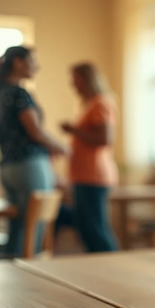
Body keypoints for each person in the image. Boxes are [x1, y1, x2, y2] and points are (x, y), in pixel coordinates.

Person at [0, 46, 67, 256]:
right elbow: (35, 131)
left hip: (8, 167)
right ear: (18, 62)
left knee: (18, 229)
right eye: (33, 61)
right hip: (27, 166)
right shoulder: (18, 93)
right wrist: (61, 147)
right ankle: (30, 280)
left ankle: (13, 280)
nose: (37, 66)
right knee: (34, 231)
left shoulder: (1, 92)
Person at [60, 62, 120, 252]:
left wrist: (74, 130)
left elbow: (105, 138)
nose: (72, 85)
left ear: (87, 80)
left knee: (95, 229)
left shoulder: (100, 103)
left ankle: (113, 266)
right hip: (83, 176)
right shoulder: (88, 105)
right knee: (86, 228)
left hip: (93, 176)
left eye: (75, 80)